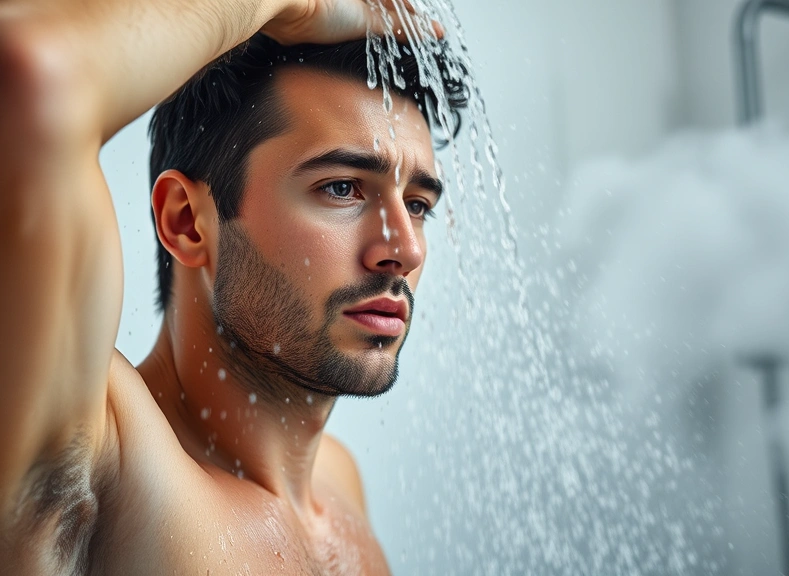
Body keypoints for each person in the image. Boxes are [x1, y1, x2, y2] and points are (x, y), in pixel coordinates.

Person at [0, 0, 465, 573]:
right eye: (342, 188)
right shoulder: (102, 458)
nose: (405, 249)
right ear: (187, 221)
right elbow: (28, 74)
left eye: (416, 205)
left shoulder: (338, 486)